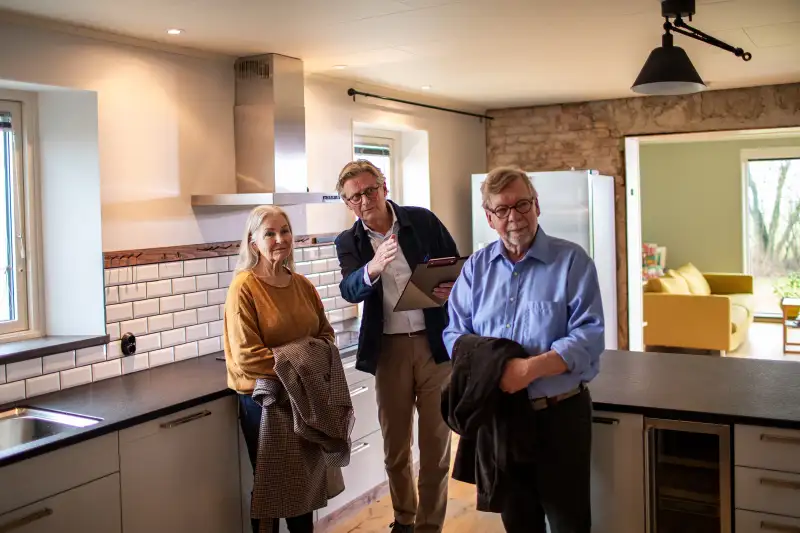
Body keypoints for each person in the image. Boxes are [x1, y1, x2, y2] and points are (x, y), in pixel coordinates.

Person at [443, 166, 605, 533]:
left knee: (570, 523)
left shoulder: (573, 262)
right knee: (518, 521)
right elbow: (455, 332)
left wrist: (529, 370)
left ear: (537, 206)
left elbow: (590, 335)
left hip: (560, 418)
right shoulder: (476, 269)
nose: (514, 217)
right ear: (489, 217)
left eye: (522, 204)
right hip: (503, 419)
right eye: (502, 210)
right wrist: (494, 370)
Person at [334, 160, 459, 533]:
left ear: (384, 187)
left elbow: (456, 266)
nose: (365, 199)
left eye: (370, 190)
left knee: (436, 449)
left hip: (434, 346)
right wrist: (372, 267)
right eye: (355, 196)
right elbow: (348, 289)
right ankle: (405, 520)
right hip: (388, 352)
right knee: (396, 449)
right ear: (348, 203)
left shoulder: (421, 221)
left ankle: (429, 526)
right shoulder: (350, 242)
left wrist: (452, 286)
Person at [224, 205, 337, 533]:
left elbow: (327, 337)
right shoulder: (244, 287)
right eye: (270, 233)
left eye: (284, 231)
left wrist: (301, 361)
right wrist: (306, 361)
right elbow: (248, 357)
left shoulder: (301, 285)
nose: (279, 239)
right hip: (264, 403)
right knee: (273, 489)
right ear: (253, 242)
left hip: (303, 398)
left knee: (304, 486)